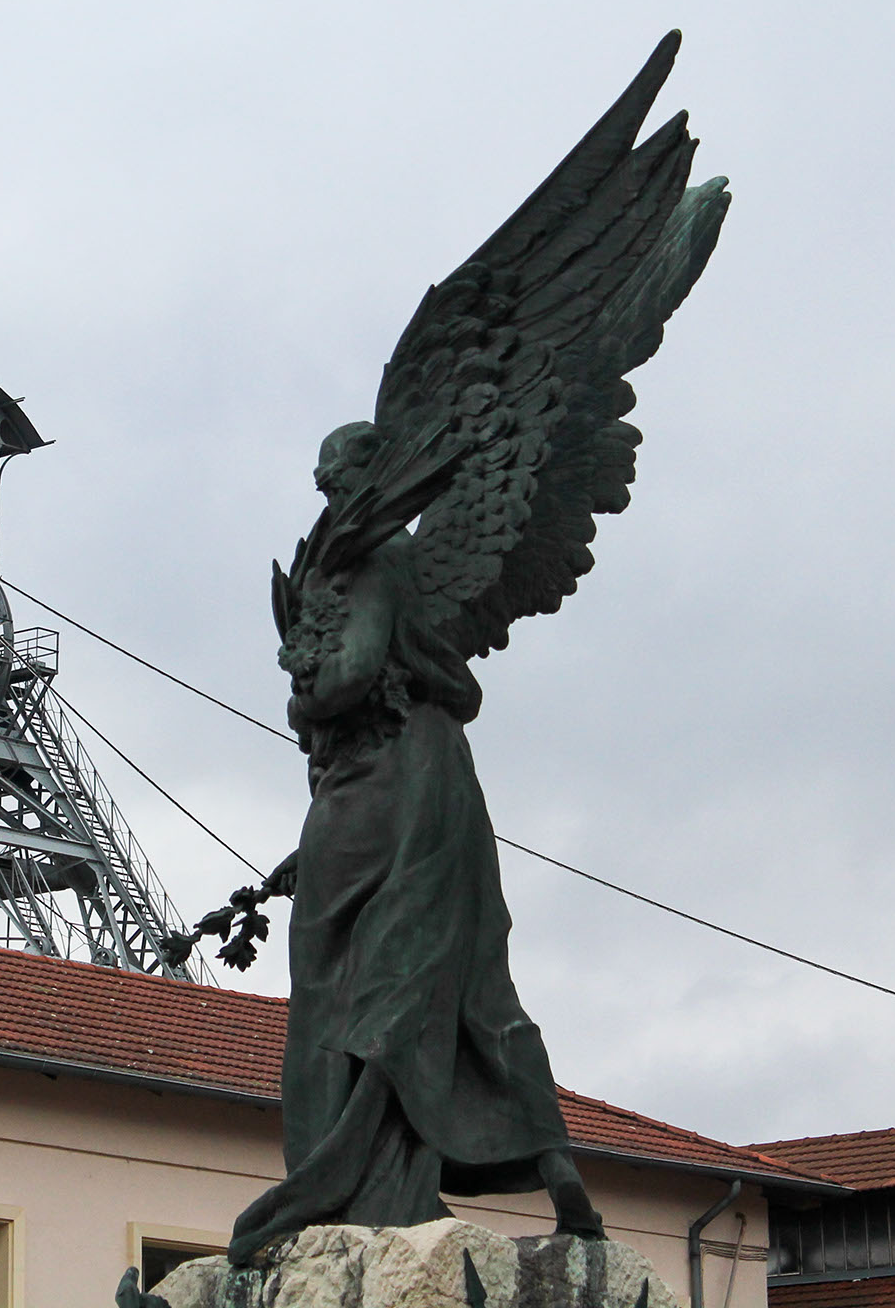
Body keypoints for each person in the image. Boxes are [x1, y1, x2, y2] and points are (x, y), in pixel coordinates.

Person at [227, 423, 602, 1264]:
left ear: (368, 474)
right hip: (436, 781)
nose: (323, 488)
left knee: (331, 979)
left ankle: (342, 1182)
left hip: (381, 777)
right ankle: (549, 1161)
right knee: (457, 977)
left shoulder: (369, 558)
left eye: (333, 475)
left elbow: (352, 673)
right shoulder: (394, 559)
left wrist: (303, 690)